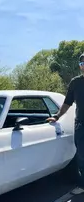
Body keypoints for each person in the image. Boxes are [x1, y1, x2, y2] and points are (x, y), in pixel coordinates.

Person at [46, 53, 84, 193]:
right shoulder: (75, 82)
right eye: (82, 64)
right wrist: (56, 116)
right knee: (81, 155)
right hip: (81, 124)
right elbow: (67, 102)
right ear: (80, 66)